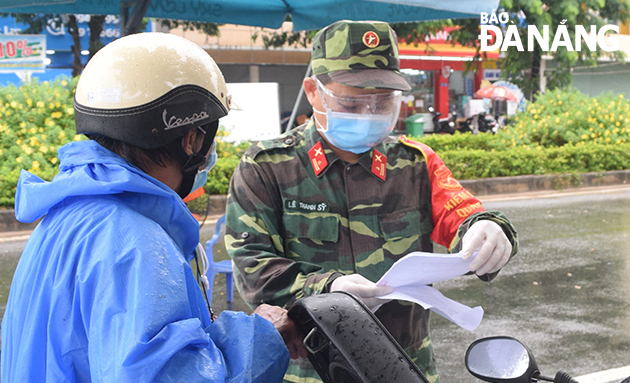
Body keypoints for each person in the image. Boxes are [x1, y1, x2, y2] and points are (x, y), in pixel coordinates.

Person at [1, 32, 306, 383]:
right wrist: (262, 336)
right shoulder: (135, 243)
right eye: (210, 136)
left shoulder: (64, 218)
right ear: (192, 139)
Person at [225, 20, 518, 383]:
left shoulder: (414, 164)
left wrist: (488, 228)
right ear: (313, 92)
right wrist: (328, 289)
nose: (368, 114)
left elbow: (462, 213)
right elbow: (253, 268)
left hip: (403, 367)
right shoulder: (268, 168)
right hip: (310, 371)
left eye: (382, 102)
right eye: (352, 102)